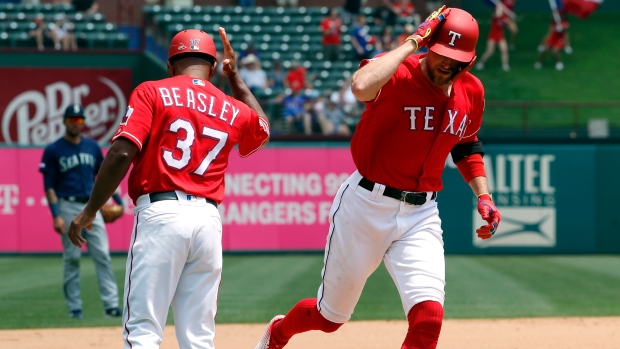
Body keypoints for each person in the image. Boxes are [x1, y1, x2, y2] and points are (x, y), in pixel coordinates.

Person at [254, 7, 501, 349]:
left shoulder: (471, 91)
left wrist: (484, 196)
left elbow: (466, 146)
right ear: (430, 45)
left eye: (456, 58)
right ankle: (279, 333)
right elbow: (360, 85)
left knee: (428, 318)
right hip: (366, 205)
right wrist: (413, 41)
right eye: (441, 53)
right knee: (329, 318)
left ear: (469, 60)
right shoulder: (397, 73)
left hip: (421, 213)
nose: (447, 63)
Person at [67, 28, 270, 349]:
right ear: (214, 67)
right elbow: (263, 128)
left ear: (170, 66)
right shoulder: (232, 107)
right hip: (207, 222)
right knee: (199, 336)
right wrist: (235, 78)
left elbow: (121, 152)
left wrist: (91, 209)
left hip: (161, 213)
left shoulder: (152, 91)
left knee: (144, 331)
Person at [39, 104, 124, 320]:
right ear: (65, 121)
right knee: (73, 258)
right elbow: (49, 186)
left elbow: (104, 177)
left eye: (79, 119)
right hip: (67, 205)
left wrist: (118, 200)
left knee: (103, 255)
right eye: (72, 119)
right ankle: (75, 308)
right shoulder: (53, 150)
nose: (75, 123)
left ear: (83, 122)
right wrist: (56, 214)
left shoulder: (92, 147)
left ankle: (111, 305)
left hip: (91, 206)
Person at [475, 2, 513, 72]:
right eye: (499, 9)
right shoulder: (494, 16)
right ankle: (481, 63)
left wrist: (509, 18)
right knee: (490, 51)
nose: (500, 10)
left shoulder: (504, 17)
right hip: (492, 35)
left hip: (500, 35)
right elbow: (497, 16)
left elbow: (507, 23)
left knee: (504, 50)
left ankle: (505, 65)